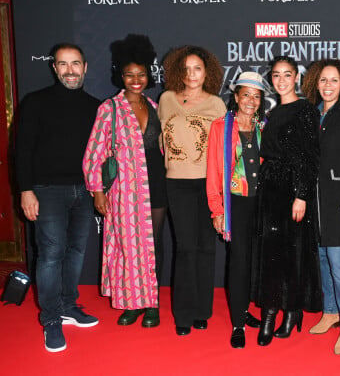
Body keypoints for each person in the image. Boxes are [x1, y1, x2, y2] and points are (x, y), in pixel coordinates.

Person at [15, 43, 100, 352]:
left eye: (75, 63)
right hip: (46, 191)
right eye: (63, 64)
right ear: (54, 68)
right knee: (51, 254)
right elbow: (22, 150)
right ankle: (51, 319)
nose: (70, 70)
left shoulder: (96, 106)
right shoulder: (36, 102)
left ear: (85, 67)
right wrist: (26, 189)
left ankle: (67, 305)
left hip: (85, 190)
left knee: (76, 251)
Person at [83, 34, 167, 328]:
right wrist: (97, 191)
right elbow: (95, 152)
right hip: (125, 189)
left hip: (157, 184)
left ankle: (152, 303)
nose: (135, 80)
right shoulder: (110, 109)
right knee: (128, 246)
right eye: (129, 74)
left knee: (152, 244)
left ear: (148, 75)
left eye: (141, 74)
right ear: (120, 75)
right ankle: (132, 304)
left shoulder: (156, 107)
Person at [252, 56, 322, 346]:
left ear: (297, 78)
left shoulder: (306, 110)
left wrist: (301, 195)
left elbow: (309, 157)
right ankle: (272, 311)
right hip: (270, 190)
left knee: (292, 255)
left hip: (293, 190)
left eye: (287, 75)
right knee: (272, 256)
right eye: (276, 75)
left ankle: (290, 311)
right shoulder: (274, 111)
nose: (281, 80)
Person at [159, 46, 227, 336]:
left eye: (197, 68)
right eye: (186, 68)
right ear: (178, 72)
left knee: (206, 247)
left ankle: (203, 311)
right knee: (186, 248)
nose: (191, 74)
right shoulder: (166, 100)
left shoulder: (216, 104)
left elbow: (224, 150)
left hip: (209, 183)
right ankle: (183, 313)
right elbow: (162, 141)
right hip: (177, 182)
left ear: (207, 72)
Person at [301, 59, 340, 355]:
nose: (328, 85)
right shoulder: (311, 115)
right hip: (316, 202)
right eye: (323, 80)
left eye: (334, 81)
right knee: (323, 260)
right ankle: (331, 311)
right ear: (316, 83)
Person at [206, 72, 266, 348]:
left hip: (263, 204)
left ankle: (245, 309)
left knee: (257, 261)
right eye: (246, 95)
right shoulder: (221, 127)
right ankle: (238, 324)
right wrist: (217, 210)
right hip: (235, 203)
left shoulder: (264, 127)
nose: (251, 100)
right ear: (236, 97)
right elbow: (214, 171)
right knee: (239, 262)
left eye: (256, 96)